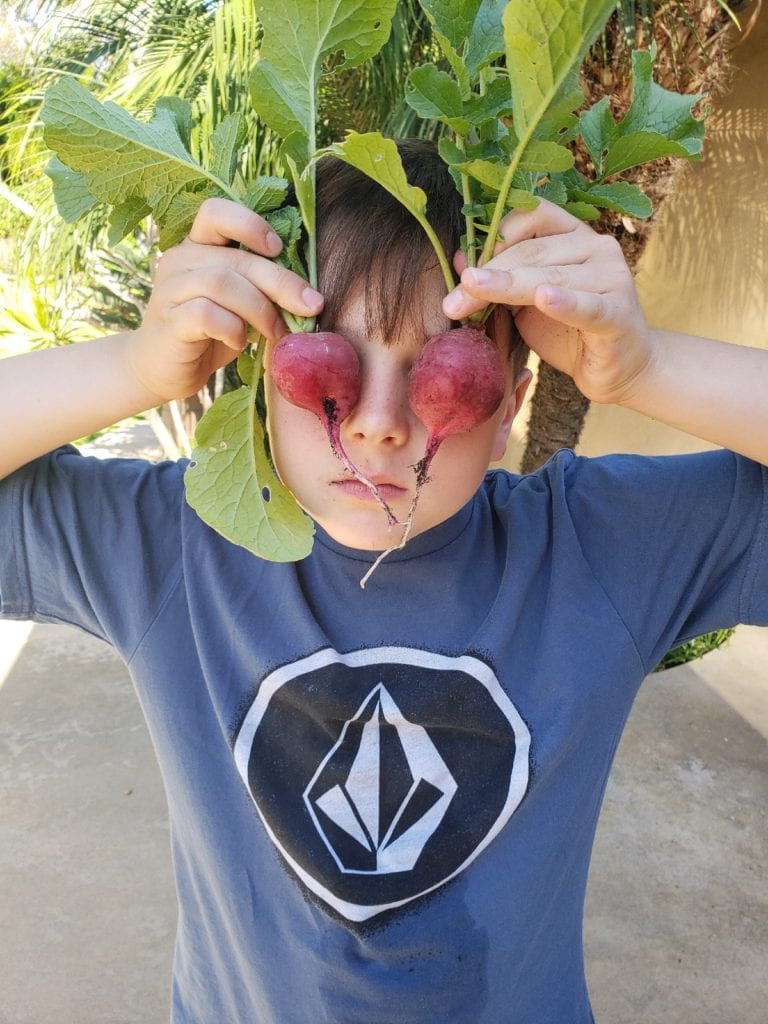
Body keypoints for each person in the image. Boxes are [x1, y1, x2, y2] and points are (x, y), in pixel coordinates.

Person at [0, 139, 766, 1023]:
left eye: (440, 370)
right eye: (331, 362)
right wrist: (131, 367)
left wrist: (647, 367)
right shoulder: (174, 547)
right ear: (254, 373)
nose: (376, 425)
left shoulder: (600, 550)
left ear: (515, 397)